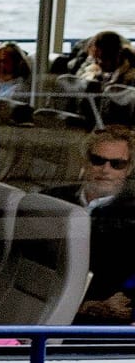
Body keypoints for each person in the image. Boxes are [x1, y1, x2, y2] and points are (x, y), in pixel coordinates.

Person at [49, 125, 135, 323]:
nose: (105, 170)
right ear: (85, 161)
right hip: (45, 306)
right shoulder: (52, 200)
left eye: (117, 164)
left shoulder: (131, 215)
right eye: (98, 160)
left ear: (128, 169)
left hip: (101, 322)